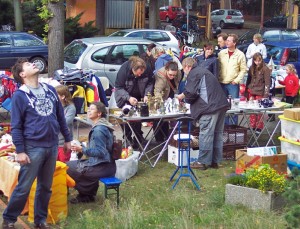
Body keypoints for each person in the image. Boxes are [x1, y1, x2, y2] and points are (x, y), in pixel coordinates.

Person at [2, 58, 72, 229]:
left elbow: (60, 117)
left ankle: (40, 221)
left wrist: (68, 138)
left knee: (45, 187)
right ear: (22, 74)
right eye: (28, 65)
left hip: (52, 145)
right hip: (33, 147)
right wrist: (20, 151)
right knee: (24, 187)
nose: (33, 64)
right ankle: (9, 219)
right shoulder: (20, 95)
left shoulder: (50, 90)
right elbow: (16, 126)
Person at [180, 57, 230, 170]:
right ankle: (215, 161)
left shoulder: (194, 73)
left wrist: (186, 101)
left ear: (187, 67)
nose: (184, 72)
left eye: (184, 69)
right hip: (221, 105)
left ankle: (202, 162)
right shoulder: (204, 71)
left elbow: (191, 93)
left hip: (209, 108)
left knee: (206, 134)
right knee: (217, 134)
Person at [67, 101, 116, 204]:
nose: (88, 110)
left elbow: (101, 152)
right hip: (106, 164)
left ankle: (86, 195)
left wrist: (82, 149)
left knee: (67, 167)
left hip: (103, 166)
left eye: (92, 109)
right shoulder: (102, 125)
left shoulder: (99, 130)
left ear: (99, 113)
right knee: (75, 164)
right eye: (88, 108)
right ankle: (87, 194)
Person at [114, 56, 153, 148]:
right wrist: (128, 98)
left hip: (140, 96)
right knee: (126, 118)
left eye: (141, 73)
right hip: (124, 97)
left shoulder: (147, 69)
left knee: (138, 118)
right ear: (132, 69)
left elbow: (150, 83)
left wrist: (147, 94)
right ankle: (127, 138)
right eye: (137, 73)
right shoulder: (123, 70)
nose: (139, 75)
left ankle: (138, 138)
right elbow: (118, 87)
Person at [218, 33, 247, 125]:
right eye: (227, 40)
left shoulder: (240, 55)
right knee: (223, 106)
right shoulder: (221, 53)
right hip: (221, 83)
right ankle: (224, 126)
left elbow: (243, 69)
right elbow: (217, 66)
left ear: (234, 43)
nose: (227, 42)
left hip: (232, 83)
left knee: (234, 106)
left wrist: (236, 80)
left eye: (229, 40)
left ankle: (233, 127)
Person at [153, 61, 182, 141]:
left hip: (171, 93)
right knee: (159, 118)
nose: (172, 77)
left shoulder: (178, 72)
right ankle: (159, 139)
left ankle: (167, 137)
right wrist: (160, 101)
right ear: (166, 70)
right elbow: (157, 91)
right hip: (162, 95)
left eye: (174, 75)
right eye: (170, 75)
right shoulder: (160, 75)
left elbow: (178, 81)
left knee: (169, 117)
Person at [245, 52, 271, 133]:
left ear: (262, 60)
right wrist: (246, 91)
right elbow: (248, 80)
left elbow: (267, 83)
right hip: (251, 91)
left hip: (260, 92)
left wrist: (266, 95)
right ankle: (252, 126)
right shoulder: (251, 68)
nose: (257, 62)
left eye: (259, 61)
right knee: (252, 110)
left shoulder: (265, 69)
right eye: (256, 61)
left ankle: (259, 128)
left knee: (259, 111)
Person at [55, 85, 76, 162]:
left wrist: (52, 123)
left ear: (63, 96)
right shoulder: (54, 106)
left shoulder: (71, 107)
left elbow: (66, 122)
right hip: (53, 142)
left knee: (63, 165)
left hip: (64, 142)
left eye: (56, 95)